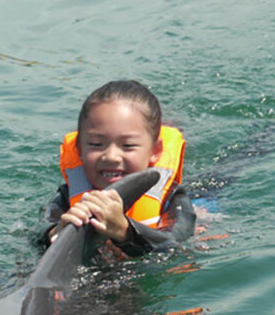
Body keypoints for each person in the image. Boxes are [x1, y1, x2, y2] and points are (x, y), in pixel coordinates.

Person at [38, 80, 196, 257]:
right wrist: (56, 232)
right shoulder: (67, 197)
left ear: (155, 150)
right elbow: (38, 233)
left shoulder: (172, 199)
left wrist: (124, 231)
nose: (111, 157)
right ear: (79, 149)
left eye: (127, 145)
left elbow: (173, 245)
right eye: (96, 144)